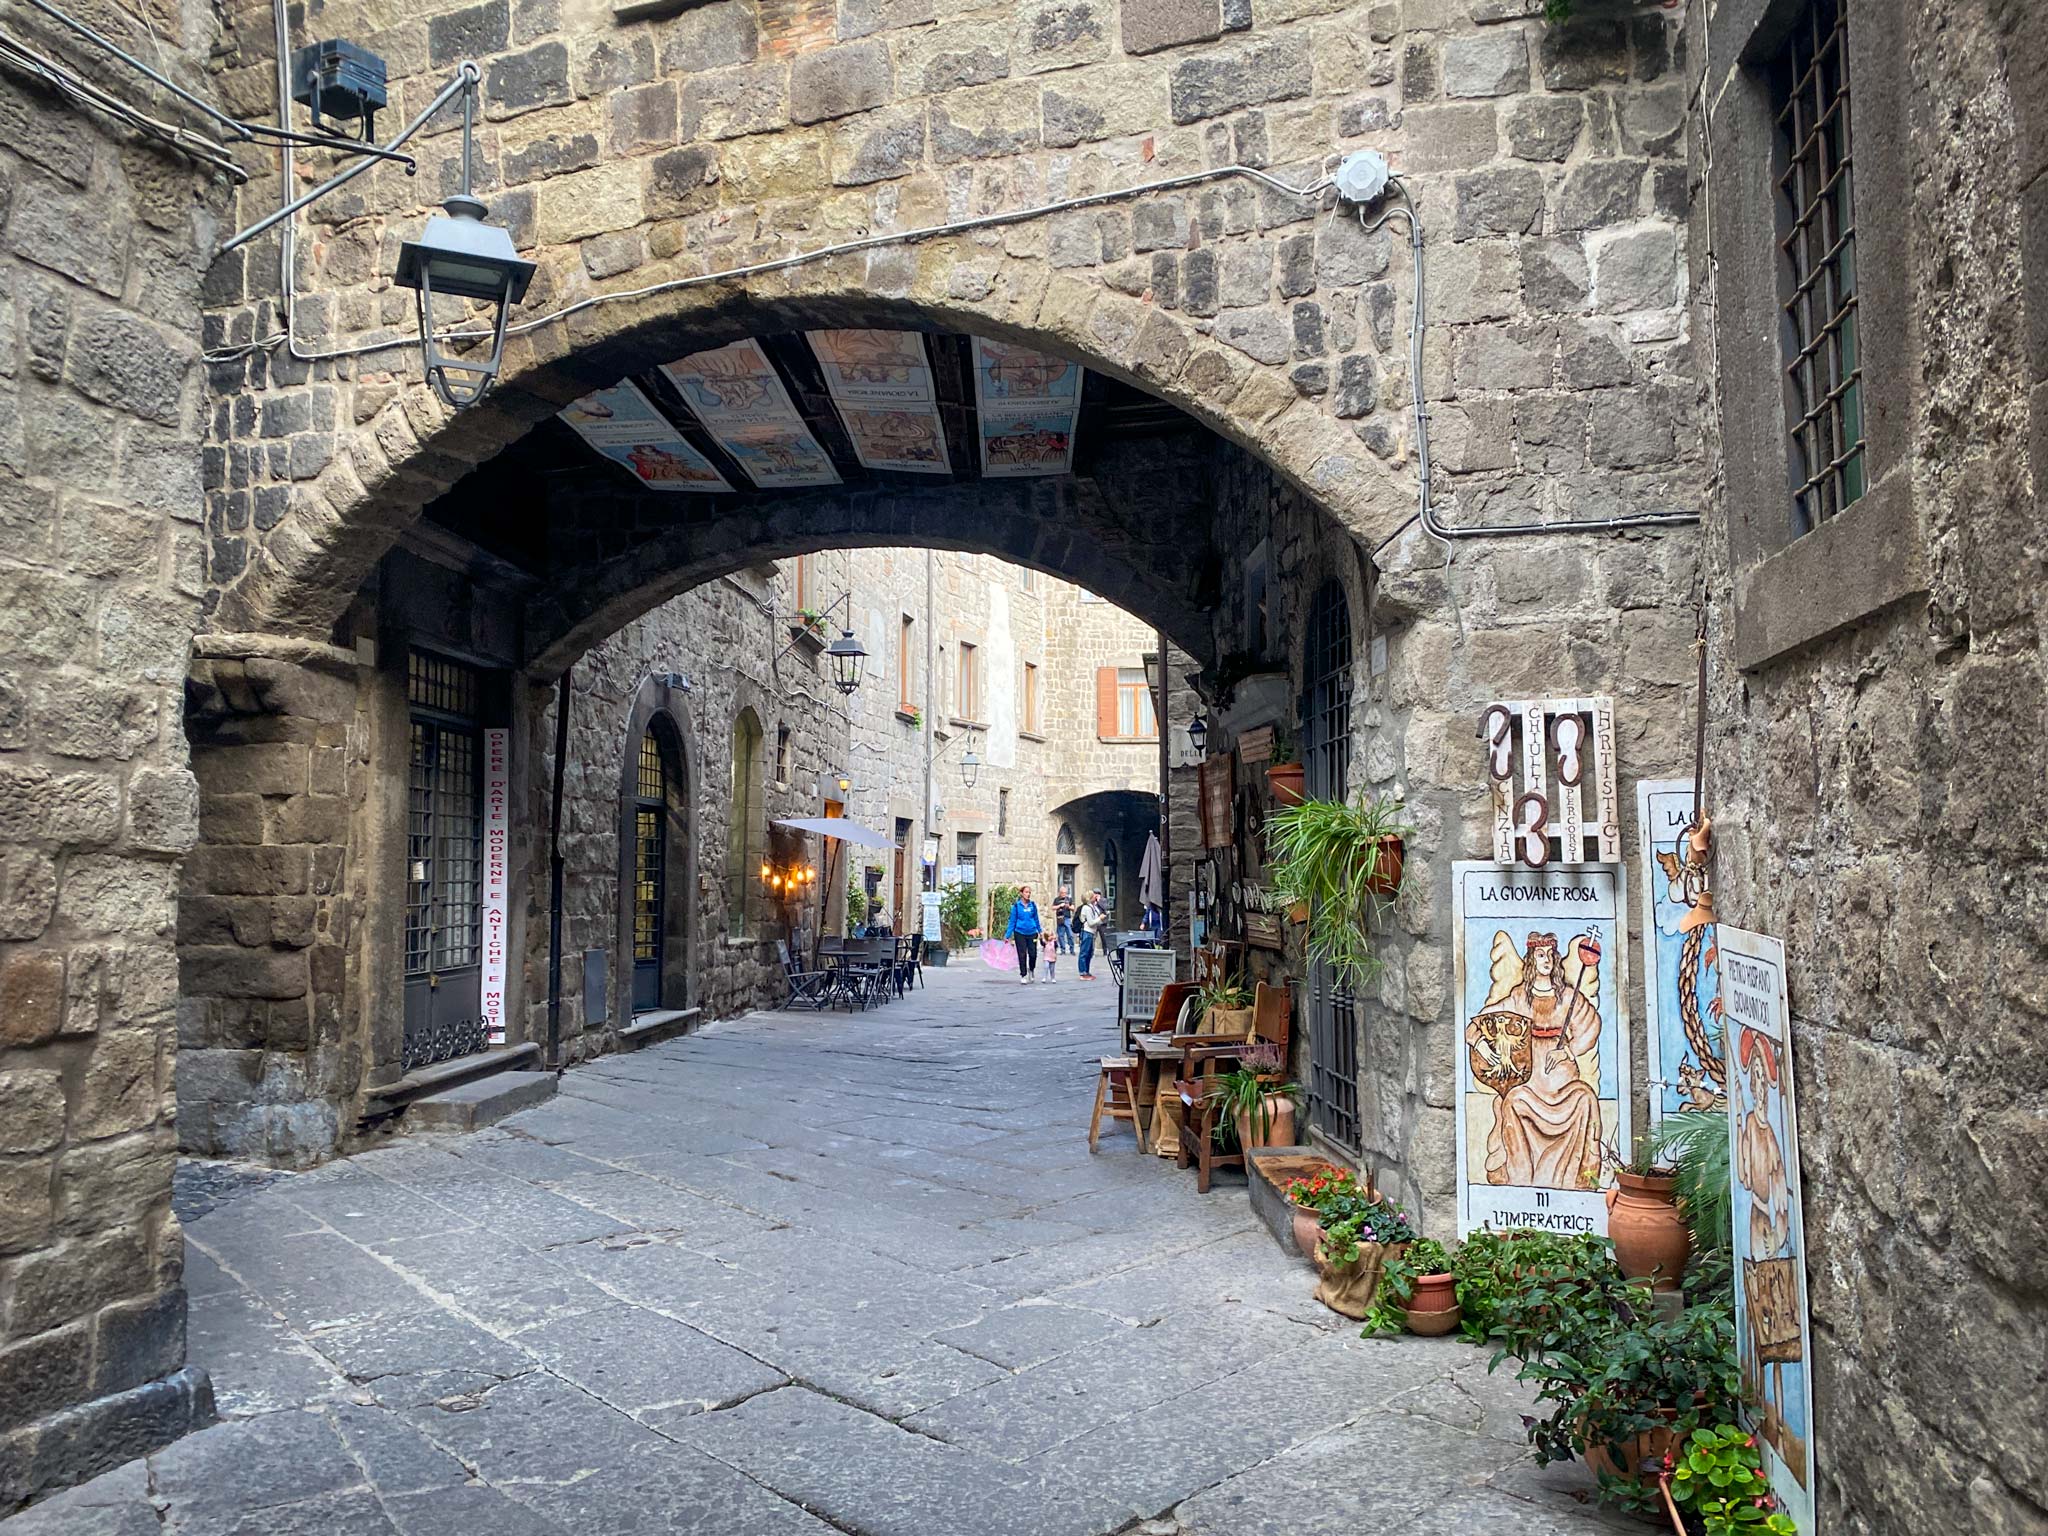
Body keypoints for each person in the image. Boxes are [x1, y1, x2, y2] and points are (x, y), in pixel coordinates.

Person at [1008, 885, 1043, 984]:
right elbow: (1012, 921)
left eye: (1029, 892)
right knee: (1022, 954)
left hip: (1032, 932)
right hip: (1020, 932)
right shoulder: (1016, 906)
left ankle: (1031, 969)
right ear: (1021, 893)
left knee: (1033, 954)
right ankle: (1023, 974)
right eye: (1026, 892)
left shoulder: (1033, 905)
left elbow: (1036, 919)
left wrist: (1040, 931)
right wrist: (1008, 935)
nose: (1028, 894)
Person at [1077, 890, 1106, 979]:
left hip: (1092, 932)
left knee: (1090, 953)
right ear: (1089, 898)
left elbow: (1100, 911)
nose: (1095, 897)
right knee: (1084, 952)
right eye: (1093, 896)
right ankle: (1083, 972)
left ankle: (1087, 971)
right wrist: (1099, 918)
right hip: (1087, 932)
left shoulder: (1093, 907)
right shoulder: (1086, 908)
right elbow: (1090, 922)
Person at [1054, 888, 1075, 954]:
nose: (1063, 894)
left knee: (1070, 934)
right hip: (1060, 918)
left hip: (1067, 918)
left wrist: (1068, 906)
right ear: (1059, 893)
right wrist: (1060, 906)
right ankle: (1063, 949)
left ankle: (1072, 949)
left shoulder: (1069, 899)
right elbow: (1053, 907)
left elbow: (1073, 908)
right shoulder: (1056, 899)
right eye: (1062, 893)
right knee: (1060, 935)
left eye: (1065, 893)